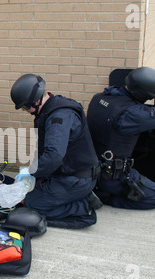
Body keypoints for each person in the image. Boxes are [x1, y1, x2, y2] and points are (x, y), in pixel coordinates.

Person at [86, 66, 155, 210]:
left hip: (89, 170)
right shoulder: (131, 114)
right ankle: (105, 196)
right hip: (111, 177)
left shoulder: (100, 98)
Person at [9, 74, 102, 229]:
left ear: (37, 100)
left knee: (32, 207)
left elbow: (53, 155)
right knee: (26, 196)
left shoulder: (58, 117)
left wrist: (30, 171)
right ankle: (73, 197)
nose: (26, 111)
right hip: (66, 173)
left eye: (26, 107)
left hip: (76, 178)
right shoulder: (50, 108)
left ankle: (83, 206)